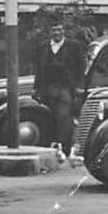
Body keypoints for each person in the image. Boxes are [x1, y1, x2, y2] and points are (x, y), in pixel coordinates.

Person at [33, 22, 86, 150]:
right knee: (46, 115)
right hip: (47, 88)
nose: (57, 33)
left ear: (63, 31)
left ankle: (63, 145)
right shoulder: (43, 46)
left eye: (59, 30)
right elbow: (38, 69)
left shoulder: (74, 46)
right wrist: (36, 88)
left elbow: (81, 67)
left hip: (65, 87)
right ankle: (47, 143)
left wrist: (79, 86)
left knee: (64, 116)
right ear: (50, 32)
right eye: (54, 30)